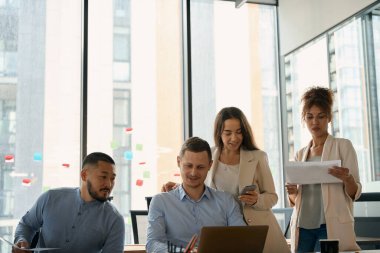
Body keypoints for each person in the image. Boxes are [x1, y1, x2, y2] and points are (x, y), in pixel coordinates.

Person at [162, 107, 289, 253]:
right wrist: (180, 187)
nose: (234, 138)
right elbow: (203, 186)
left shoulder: (258, 157)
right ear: (219, 133)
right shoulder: (210, 155)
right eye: (228, 133)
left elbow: (272, 197)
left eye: (239, 132)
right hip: (223, 230)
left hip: (255, 229)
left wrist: (256, 200)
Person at [285, 87, 361, 253]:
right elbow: (296, 199)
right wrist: (292, 191)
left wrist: (347, 179)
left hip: (330, 225)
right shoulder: (300, 154)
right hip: (303, 225)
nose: (315, 122)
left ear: (329, 118)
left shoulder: (343, 146)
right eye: (310, 117)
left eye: (321, 116)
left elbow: (355, 192)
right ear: (304, 119)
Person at [147, 137, 246, 253]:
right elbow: (152, 244)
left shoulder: (226, 201)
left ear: (210, 165)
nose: (193, 173)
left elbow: (242, 240)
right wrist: (184, 252)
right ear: (179, 162)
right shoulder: (160, 202)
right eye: (188, 166)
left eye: (200, 167)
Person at [13, 152, 125, 253]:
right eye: (103, 177)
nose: (109, 184)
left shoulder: (115, 221)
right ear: (84, 175)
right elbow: (26, 225)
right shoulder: (50, 198)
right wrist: (21, 240)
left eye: (112, 178)